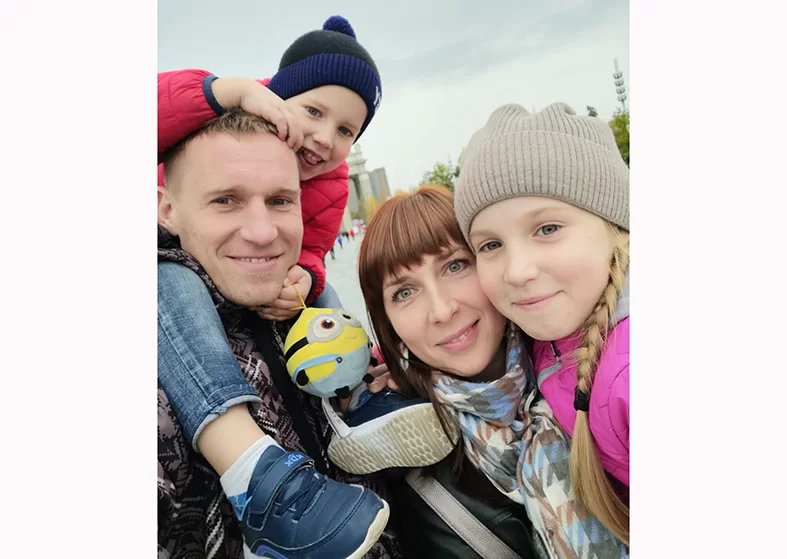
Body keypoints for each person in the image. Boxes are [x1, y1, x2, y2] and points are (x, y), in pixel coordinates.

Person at [157, 109, 400, 559]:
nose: (263, 232)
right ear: (167, 210)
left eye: (280, 201)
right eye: (225, 200)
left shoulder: (306, 308)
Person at [351, 185, 628, 558]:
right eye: (404, 292)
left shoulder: (596, 366)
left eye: (455, 266)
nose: (442, 310)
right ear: (390, 325)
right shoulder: (413, 475)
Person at [455, 102, 630, 544]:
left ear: (615, 224)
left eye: (547, 229)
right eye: (490, 245)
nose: (518, 271)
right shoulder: (556, 324)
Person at [157, 14, 381, 317]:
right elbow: (163, 106)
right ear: (277, 98)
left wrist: (307, 276)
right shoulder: (229, 115)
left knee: (324, 296)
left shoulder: (332, 185)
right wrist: (225, 92)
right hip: (167, 245)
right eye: (314, 112)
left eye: (345, 130)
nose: (325, 138)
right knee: (176, 283)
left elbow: (312, 248)